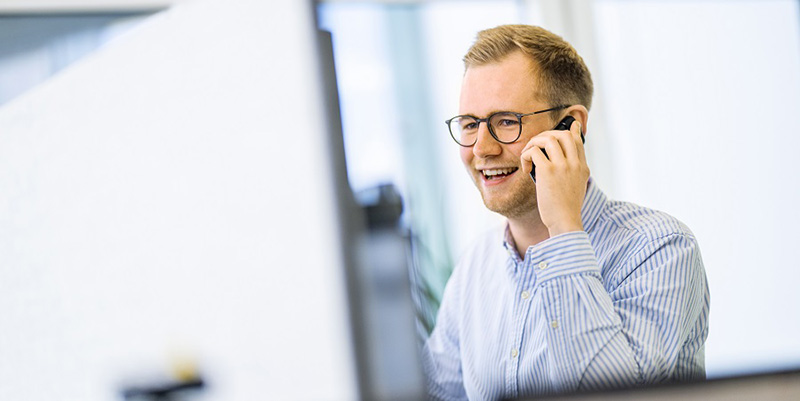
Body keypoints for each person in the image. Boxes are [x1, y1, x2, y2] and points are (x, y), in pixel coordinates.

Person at [422, 24, 710, 400]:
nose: (481, 148)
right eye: (469, 124)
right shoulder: (475, 267)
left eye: (505, 121)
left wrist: (563, 227)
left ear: (571, 126)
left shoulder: (660, 249)